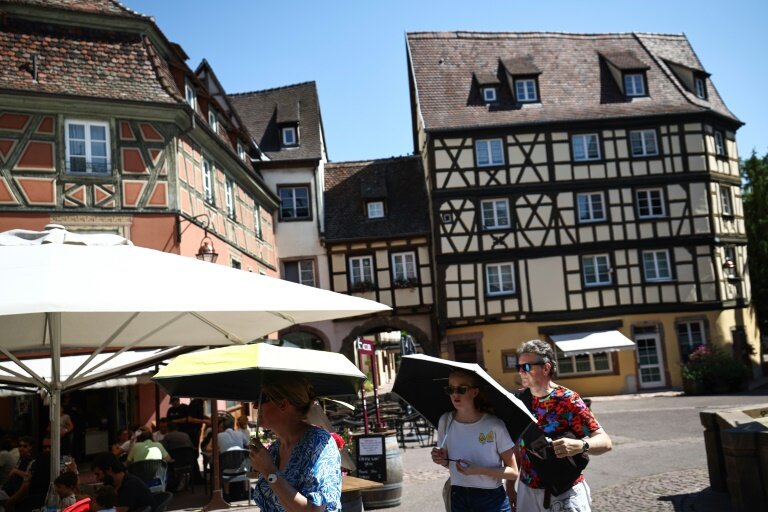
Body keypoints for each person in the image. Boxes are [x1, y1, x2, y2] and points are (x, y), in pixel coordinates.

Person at [515, 339, 613, 511]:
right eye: (519, 367)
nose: (521, 372)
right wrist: (510, 487)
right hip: (527, 491)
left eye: (527, 367)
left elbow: (605, 441)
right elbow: (516, 446)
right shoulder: (519, 400)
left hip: (564, 492)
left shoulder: (568, 399)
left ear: (546, 368)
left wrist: (581, 445)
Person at [248, 372, 342, 511]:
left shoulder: (319, 443)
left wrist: (269, 471)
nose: (255, 406)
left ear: (283, 404)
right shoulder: (274, 450)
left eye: (262, 399)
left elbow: (314, 510)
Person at [430, 369, 517, 512]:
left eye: (461, 389)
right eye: (450, 389)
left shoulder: (494, 425)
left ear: (474, 392)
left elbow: (513, 471)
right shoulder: (445, 421)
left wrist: (479, 470)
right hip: (458, 493)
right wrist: (442, 460)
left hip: (491, 497)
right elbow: (450, 464)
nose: (455, 394)